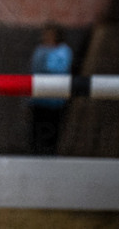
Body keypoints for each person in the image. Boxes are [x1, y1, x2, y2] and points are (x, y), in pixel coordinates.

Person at [28, 23, 73, 155]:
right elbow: (34, 68)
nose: (46, 37)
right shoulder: (40, 49)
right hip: (39, 98)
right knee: (36, 131)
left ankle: (50, 156)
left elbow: (57, 69)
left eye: (49, 34)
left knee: (52, 130)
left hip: (55, 99)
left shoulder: (63, 51)